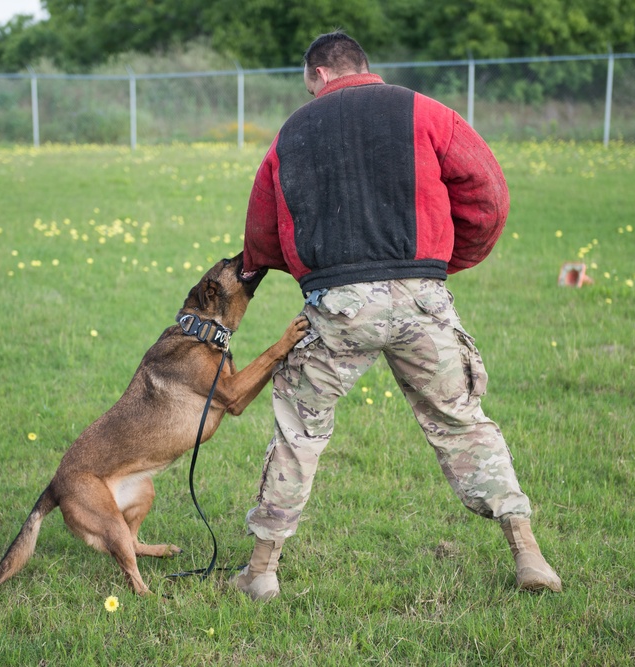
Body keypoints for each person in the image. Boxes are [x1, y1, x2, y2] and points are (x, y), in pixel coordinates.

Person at [235, 31, 562, 601]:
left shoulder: (293, 131)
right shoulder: (426, 111)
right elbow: (487, 195)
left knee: (299, 431)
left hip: (338, 305)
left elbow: (263, 232)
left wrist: (310, 274)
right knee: (463, 422)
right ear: (366, 67)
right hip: (421, 298)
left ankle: (262, 572)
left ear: (316, 75)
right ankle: (529, 554)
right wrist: (438, 265)